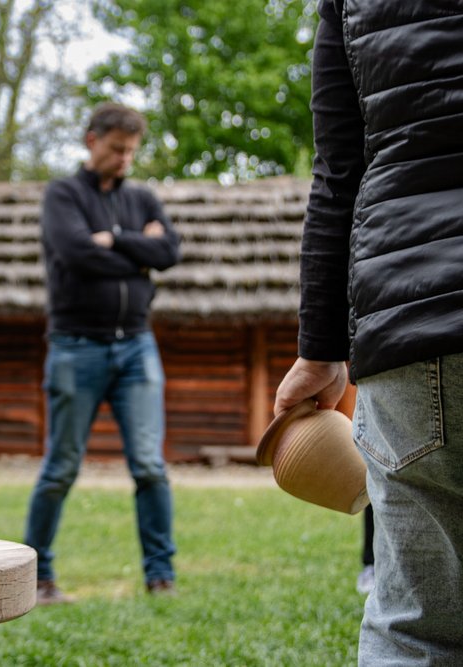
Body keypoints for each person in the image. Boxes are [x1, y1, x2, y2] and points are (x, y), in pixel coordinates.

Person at [273, 2, 463, 663]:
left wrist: (318, 349)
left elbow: (337, 175)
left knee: (415, 629)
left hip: (415, 320)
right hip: (415, 316)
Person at [24, 102, 182, 604]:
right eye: (117, 149)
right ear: (92, 140)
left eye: (132, 151)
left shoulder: (141, 198)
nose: (125, 160)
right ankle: (38, 575)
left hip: (137, 346)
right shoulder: (62, 195)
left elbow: (170, 252)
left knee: (150, 466)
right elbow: (74, 254)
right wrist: (139, 256)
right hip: (76, 347)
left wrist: (114, 239)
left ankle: (161, 577)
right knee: (61, 467)